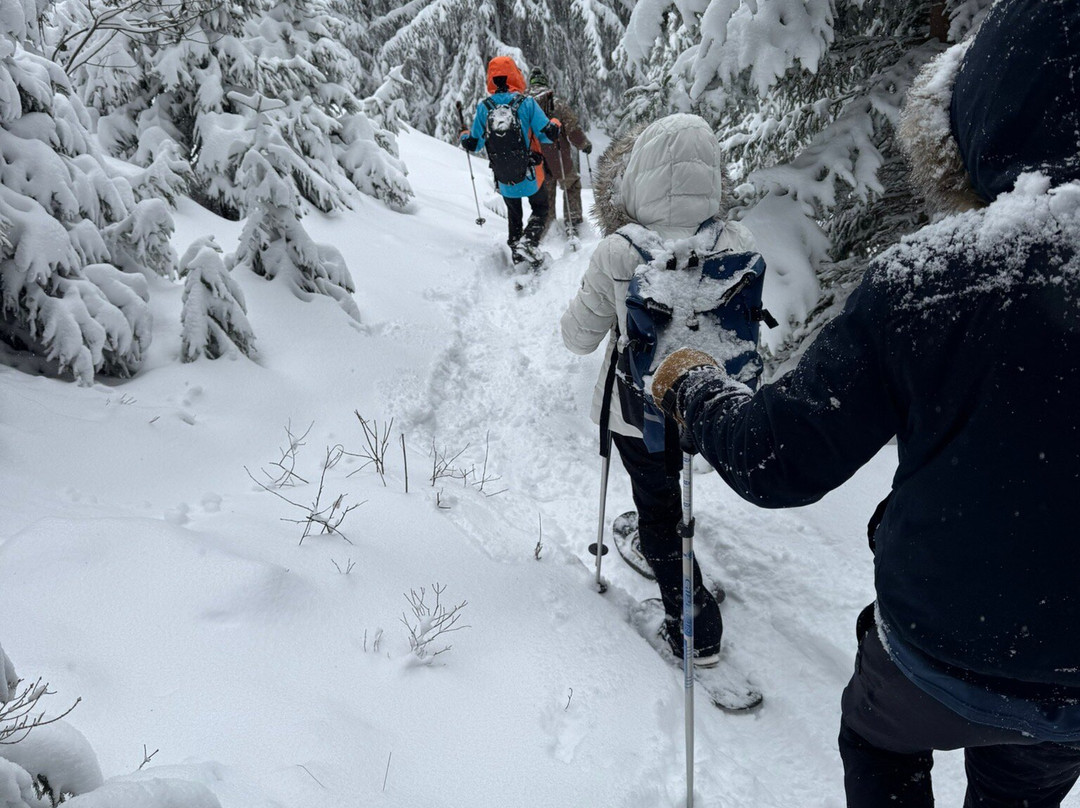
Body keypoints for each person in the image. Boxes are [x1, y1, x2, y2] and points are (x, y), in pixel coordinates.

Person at [646, 0, 1080, 804]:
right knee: (1026, 771)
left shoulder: (939, 278)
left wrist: (691, 384)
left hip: (932, 650)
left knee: (879, 744)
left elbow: (777, 461)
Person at [560, 113, 756, 665]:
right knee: (672, 484)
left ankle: (695, 628)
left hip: (637, 410)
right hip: (710, 404)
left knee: (656, 503)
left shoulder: (621, 250)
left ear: (640, 173)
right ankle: (672, 543)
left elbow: (578, 337)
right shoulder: (734, 239)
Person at [460, 56, 560, 266]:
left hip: (504, 177)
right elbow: (546, 135)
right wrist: (555, 123)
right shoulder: (527, 103)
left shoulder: (484, 107)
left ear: (491, 79)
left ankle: (517, 253)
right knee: (541, 208)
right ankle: (529, 242)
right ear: (515, 75)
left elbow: (474, 144)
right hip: (531, 174)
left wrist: (464, 135)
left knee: (515, 215)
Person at [527, 67, 592, 240]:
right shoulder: (557, 104)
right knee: (571, 185)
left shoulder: (525, 103)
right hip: (558, 155)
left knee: (545, 190)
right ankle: (573, 222)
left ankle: (547, 225)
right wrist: (584, 144)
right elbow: (572, 129)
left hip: (536, 157)